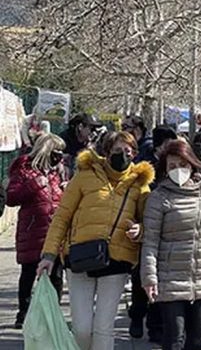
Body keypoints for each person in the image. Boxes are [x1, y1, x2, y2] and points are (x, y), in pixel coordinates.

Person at [38, 131, 154, 350]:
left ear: (135, 153)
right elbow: (62, 216)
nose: (123, 155)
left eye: (128, 151)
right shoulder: (84, 176)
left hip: (117, 261)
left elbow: (149, 222)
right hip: (80, 257)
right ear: (107, 152)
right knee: (82, 328)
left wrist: (140, 230)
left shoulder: (139, 185)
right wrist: (49, 255)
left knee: (103, 327)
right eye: (117, 151)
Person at [141, 140, 201, 350]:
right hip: (170, 277)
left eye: (182, 165)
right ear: (165, 170)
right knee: (174, 336)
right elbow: (150, 242)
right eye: (172, 166)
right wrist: (149, 278)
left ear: (192, 164)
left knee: (199, 335)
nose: (178, 170)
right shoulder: (158, 197)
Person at [6, 133, 66, 328]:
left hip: (54, 230)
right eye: (56, 152)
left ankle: (53, 314)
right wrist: (36, 184)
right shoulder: (25, 170)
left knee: (56, 274)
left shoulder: (58, 172)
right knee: (29, 272)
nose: (60, 157)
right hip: (32, 230)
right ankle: (23, 312)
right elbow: (12, 197)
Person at [128, 124, 178, 342]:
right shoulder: (143, 169)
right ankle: (137, 317)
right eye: (168, 143)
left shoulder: (174, 166)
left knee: (161, 282)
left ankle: (155, 326)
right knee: (141, 281)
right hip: (144, 232)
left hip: (167, 233)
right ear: (160, 145)